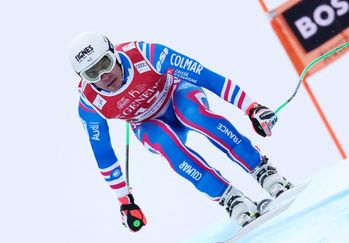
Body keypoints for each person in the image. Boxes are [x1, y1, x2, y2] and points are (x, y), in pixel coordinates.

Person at [68, 32, 293, 232]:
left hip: (178, 94)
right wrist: (124, 200)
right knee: (165, 143)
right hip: (148, 123)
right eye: (92, 73)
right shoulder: (89, 102)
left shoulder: (144, 53)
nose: (103, 77)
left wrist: (251, 107)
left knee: (194, 115)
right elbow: (103, 153)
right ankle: (230, 199)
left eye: (105, 64)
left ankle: (264, 171)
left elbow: (206, 76)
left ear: (114, 53)